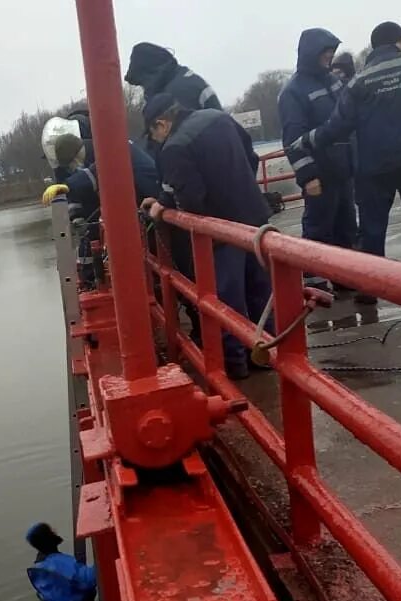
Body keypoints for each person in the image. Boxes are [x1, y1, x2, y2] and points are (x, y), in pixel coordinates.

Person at [295, 21, 401, 273]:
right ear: (397, 41)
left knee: (372, 226)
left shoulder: (360, 81)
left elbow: (339, 124)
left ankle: (370, 285)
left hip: (373, 165)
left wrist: (308, 140)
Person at [140, 93, 274, 380]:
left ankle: (234, 364)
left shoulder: (174, 147)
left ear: (161, 123)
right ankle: (268, 353)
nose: (156, 141)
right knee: (261, 292)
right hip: (254, 220)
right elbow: (251, 158)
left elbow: (191, 201)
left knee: (226, 300)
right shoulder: (219, 117)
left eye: (154, 133)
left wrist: (163, 204)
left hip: (221, 233)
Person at [279, 29, 360, 300]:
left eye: (332, 51)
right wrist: (307, 176)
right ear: (312, 53)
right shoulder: (293, 92)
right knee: (318, 228)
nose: (330, 56)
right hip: (320, 173)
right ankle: (315, 282)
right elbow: (292, 141)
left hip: (343, 170)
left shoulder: (334, 82)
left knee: (346, 225)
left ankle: (344, 276)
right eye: (326, 51)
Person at [40, 114, 161, 285]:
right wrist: (76, 217)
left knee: (164, 262)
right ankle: (92, 280)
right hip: (148, 204)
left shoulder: (103, 149)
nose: (73, 168)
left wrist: (67, 186)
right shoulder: (95, 148)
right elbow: (83, 191)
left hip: (154, 199)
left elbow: (97, 173)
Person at [124, 43, 223, 112]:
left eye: (143, 83)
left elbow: (177, 137)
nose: (144, 89)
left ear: (149, 74)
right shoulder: (180, 77)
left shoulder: (176, 94)